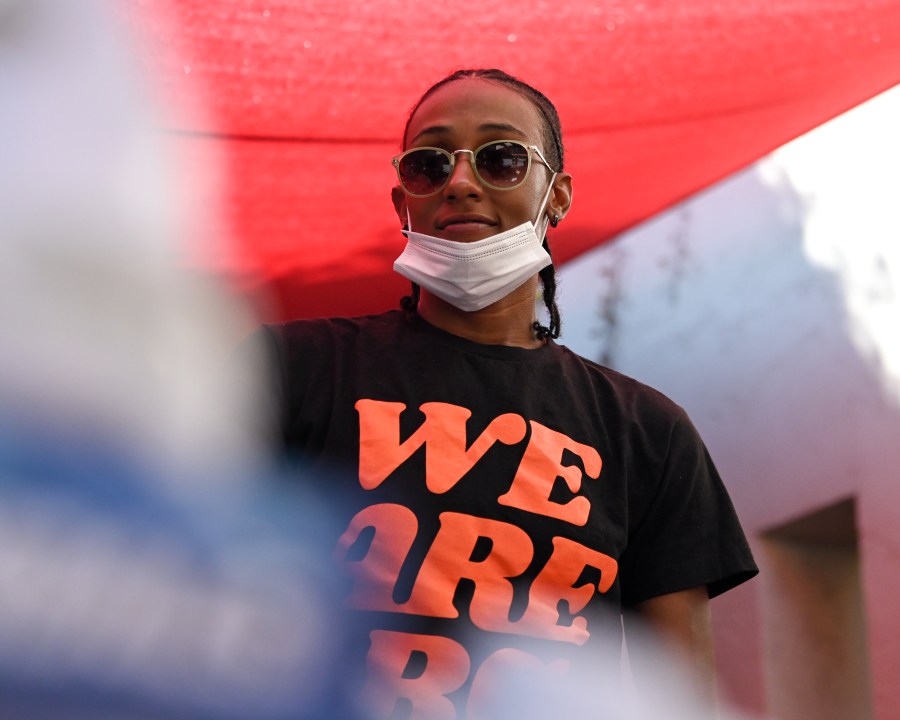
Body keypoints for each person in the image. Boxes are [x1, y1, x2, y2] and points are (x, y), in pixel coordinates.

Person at [254, 68, 758, 719]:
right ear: (401, 200)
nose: (460, 182)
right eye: (429, 164)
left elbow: (677, 695)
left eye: (500, 158)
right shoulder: (288, 370)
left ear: (558, 197)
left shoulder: (649, 433)